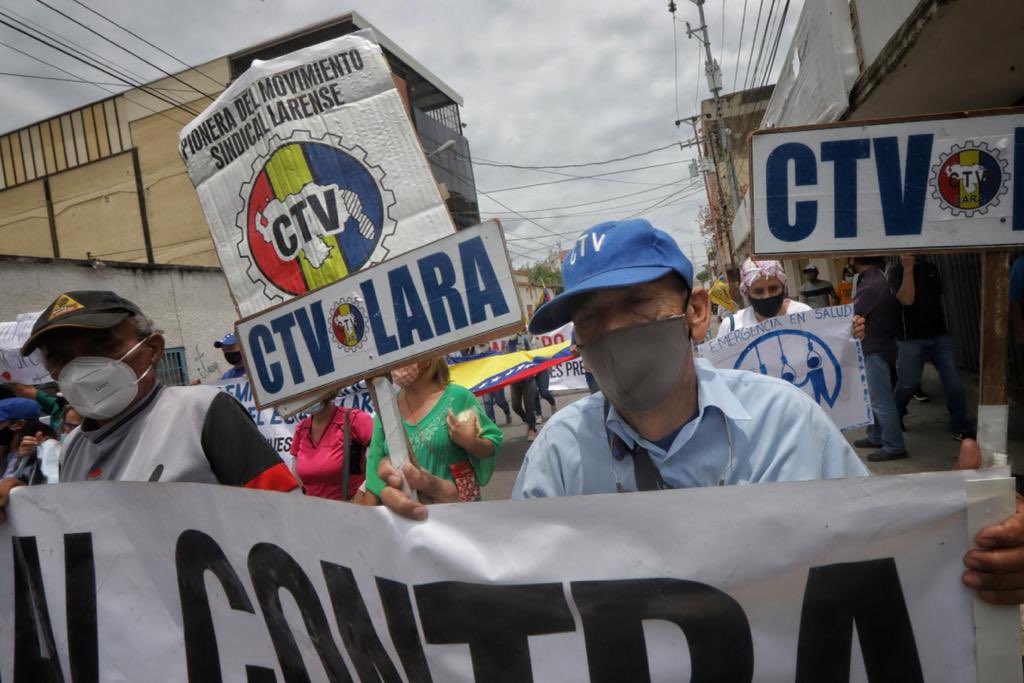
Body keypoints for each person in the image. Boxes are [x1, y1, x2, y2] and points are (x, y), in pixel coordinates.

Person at [373, 218, 1024, 608]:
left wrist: (964, 542)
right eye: (590, 316)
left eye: (636, 301)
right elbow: (522, 594)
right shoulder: (558, 456)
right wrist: (437, 532)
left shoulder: (787, 425)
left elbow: (887, 562)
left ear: (695, 312)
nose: (613, 328)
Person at [0, 291, 297, 500]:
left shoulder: (201, 411)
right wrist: (24, 507)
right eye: (62, 357)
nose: (81, 369)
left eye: (101, 347)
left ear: (153, 348)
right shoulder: (74, 447)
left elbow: (285, 509)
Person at [364, 357, 501, 502]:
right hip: (412, 517)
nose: (397, 364)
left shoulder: (459, 397)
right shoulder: (386, 411)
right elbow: (373, 475)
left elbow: (492, 444)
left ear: (428, 358)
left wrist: (472, 443)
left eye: (406, 355)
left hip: (458, 511)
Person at [887, 254, 973, 441]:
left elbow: (938, 300)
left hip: (939, 335)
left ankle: (959, 426)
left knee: (954, 383)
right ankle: (896, 416)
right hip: (910, 338)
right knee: (907, 384)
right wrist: (908, 269)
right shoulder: (896, 272)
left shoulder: (931, 268)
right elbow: (906, 299)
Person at [850, 256, 907, 462]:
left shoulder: (871, 284)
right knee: (872, 398)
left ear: (857, 261)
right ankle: (875, 436)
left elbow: (853, 314)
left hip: (876, 348)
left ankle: (894, 446)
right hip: (877, 346)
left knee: (881, 401)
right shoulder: (873, 279)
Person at [290, 393, 373, 501]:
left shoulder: (354, 419)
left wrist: (364, 490)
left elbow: (383, 451)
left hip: (352, 509)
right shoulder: (301, 428)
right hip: (311, 510)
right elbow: (295, 470)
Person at [715, 258, 811, 337]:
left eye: (773, 289)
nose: (767, 296)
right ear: (747, 292)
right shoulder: (731, 327)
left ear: (783, 287)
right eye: (758, 291)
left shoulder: (803, 314)